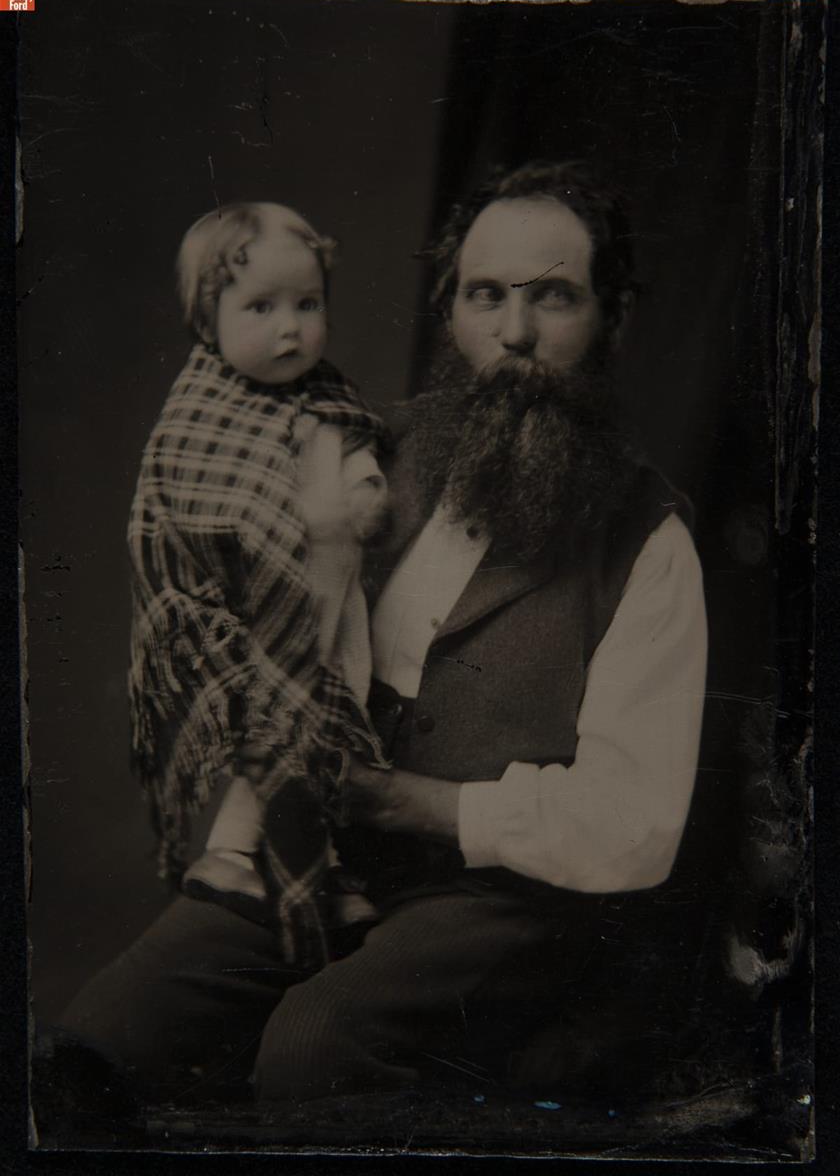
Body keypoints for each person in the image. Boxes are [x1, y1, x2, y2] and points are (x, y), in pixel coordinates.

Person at [57, 160, 707, 1108]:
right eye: (485, 296)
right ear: (450, 310)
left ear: (616, 315)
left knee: (314, 1049)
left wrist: (415, 805)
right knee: (94, 1050)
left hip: (502, 908)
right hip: (317, 859)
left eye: (554, 298)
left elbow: (635, 828)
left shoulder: (651, 543)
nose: (513, 334)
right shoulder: (365, 450)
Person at [125, 200, 390, 972]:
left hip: (332, 611)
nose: (291, 329)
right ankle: (231, 854)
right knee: (264, 741)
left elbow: (357, 462)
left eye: (308, 305)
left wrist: (367, 491)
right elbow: (176, 506)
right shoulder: (199, 411)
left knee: (330, 732)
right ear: (207, 321)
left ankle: (322, 866)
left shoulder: (328, 400)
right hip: (242, 622)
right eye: (261, 307)